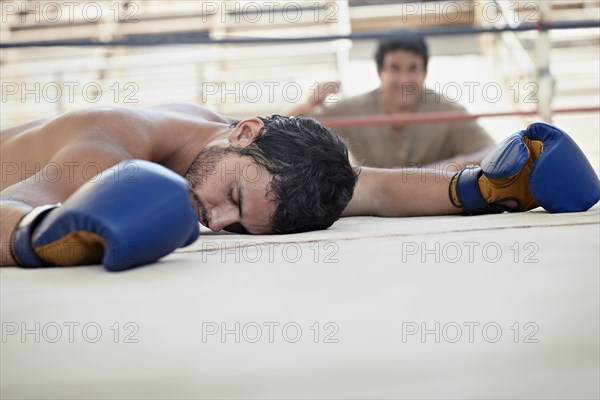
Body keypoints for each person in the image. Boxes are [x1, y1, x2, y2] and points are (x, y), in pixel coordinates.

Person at [1, 103, 599, 271]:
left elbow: (374, 189)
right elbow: (12, 208)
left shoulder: (246, 154)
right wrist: (47, 234)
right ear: (245, 132)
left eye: (239, 226)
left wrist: (485, 190)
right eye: (231, 201)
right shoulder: (108, 143)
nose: (215, 222)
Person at [290, 37, 496, 169]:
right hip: (374, 214)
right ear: (380, 72)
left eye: (413, 68)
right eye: (395, 68)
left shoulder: (448, 111)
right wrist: (310, 103)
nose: (404, 79)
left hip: (436, 204)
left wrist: (446, 168)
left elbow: (492, 152)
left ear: (424, 73)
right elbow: (285, 130)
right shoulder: (355, 109)